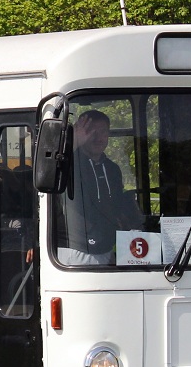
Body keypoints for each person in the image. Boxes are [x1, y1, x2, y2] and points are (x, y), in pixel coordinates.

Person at [57, 110, 141, 264]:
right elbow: (53, 170)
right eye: (91, 131)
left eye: (102, 132)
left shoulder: (112, 169)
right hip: (75, 250)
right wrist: (72, 144)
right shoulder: (70, 164)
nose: (97, 137)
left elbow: (115, 204)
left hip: (107, 248)